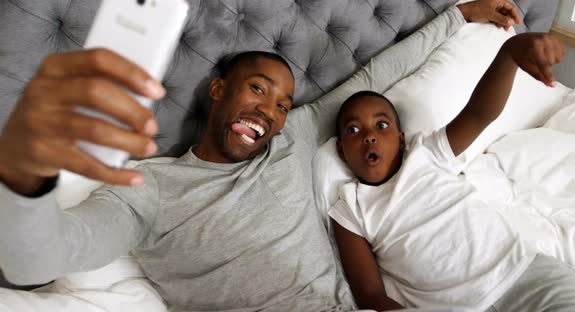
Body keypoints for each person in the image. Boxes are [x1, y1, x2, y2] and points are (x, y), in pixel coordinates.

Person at [0, 0, 521, 310]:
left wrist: (457, 15)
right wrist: (23, 176)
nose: (271, 111)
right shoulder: (147, 188)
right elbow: (36, 262)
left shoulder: (292, 140)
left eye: (283, 103)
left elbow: (374, 78)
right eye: (257, 89)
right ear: (218, 90)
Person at [330, 33, 575, 311]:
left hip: (527, 278)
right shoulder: (350, 209)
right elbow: (371, 297)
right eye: (353, 130)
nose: (369, 136)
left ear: (402, 138)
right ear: (342, 151)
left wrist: (509, 54)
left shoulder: (426, 153)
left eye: (381, 126)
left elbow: (479, 113)